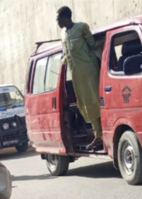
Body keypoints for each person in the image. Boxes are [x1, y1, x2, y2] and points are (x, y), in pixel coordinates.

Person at [57, 6, 103, 151]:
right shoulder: (63, 34)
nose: (57, 22)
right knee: (85, 103)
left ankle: (102, 135)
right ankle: (98, 135)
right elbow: (67, 54)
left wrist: (105, 40)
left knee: (96, 100)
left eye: (58, 19)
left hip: (90, 71)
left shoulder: (82, 27)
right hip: (77, 75)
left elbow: (93, 44)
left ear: (66, 17)